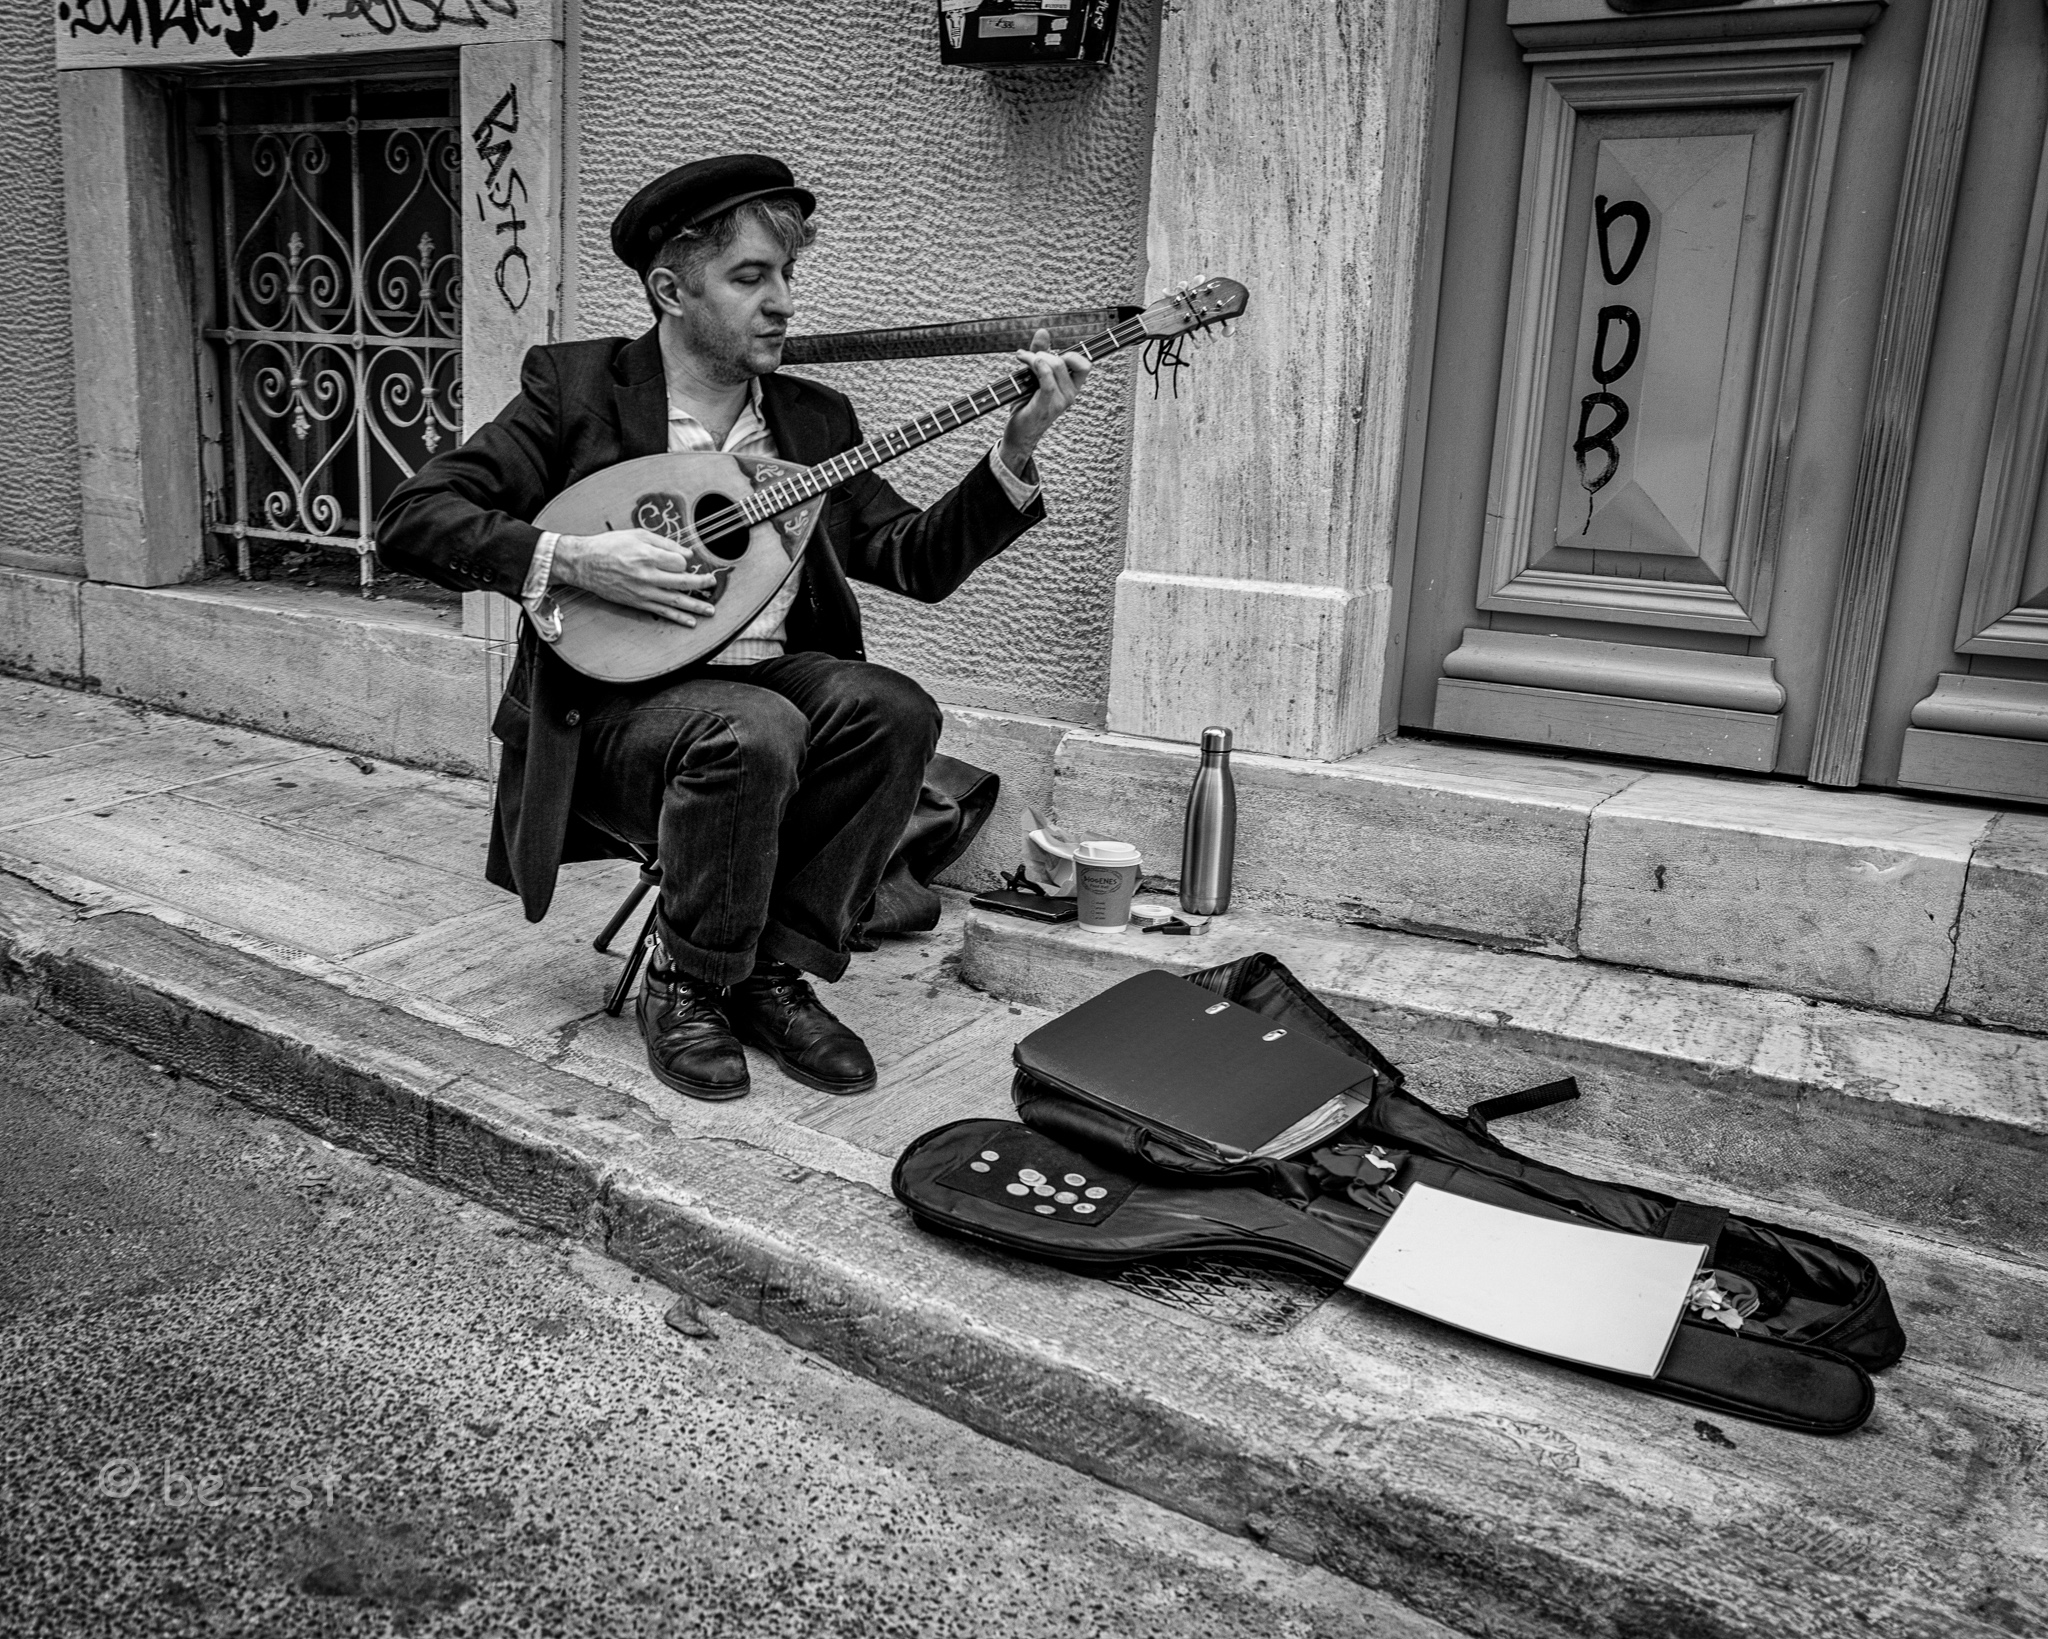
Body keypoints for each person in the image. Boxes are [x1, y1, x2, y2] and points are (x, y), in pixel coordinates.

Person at [376, 154, 1090, 1102]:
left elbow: (913, 557)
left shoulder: (812, 421)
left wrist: (1018, 447)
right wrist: (577, 558)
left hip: (767, 689)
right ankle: (685, 980)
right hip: (615, 716)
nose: (782, 302)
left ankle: (768, 973)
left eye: (787, 274)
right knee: (754, 728)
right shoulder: (578, 388)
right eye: (750, 277)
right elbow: (413, 519)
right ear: (671, 291)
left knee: (894, 709)